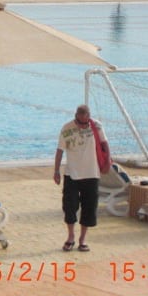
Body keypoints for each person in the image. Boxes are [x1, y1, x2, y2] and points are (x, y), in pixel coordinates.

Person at [53, 104, 109, 253]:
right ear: (76, 116)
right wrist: (56, 171)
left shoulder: (96, 126)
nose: (83, 125)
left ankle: (82, 239)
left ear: (89, 117)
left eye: (86, 121)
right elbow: (60, 150)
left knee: (89, 208)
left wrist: (107, 161)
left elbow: (104, 144)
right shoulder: (67, 128)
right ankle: (70, 236)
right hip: (72, 174)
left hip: (92, 173)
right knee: (69, 207)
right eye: (81, 122)